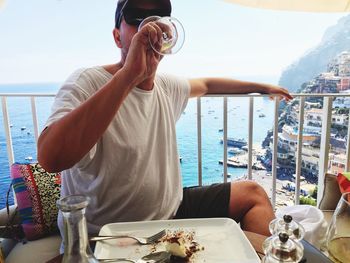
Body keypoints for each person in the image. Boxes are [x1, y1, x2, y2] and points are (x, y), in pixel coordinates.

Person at [37, 0, 292, 243]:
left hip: (171, 213)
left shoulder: (165, 86)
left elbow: (206, 84)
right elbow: (51, 158)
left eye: (160, 18)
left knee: (253, 195)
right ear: (117, 36)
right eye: (137, 18)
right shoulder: (87, 81)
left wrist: (262, 86)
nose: (150, 28)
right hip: (110, 234)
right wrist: (128, 76)